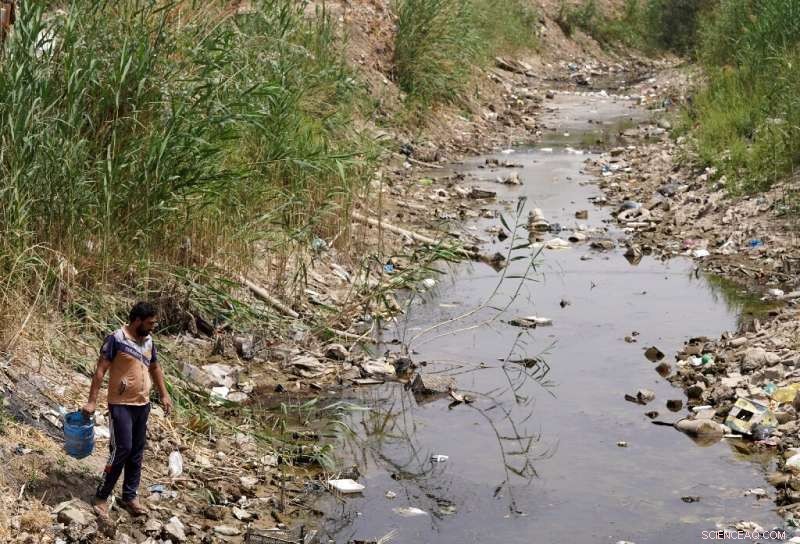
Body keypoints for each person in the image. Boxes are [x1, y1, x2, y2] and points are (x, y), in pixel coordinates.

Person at [82, 301, 173, 520]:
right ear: (137, 320)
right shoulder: (116, 339)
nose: (153, 327)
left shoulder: (149, 341)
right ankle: (101, 496)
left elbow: (154, 367)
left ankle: (129, 496)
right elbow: (100, 371)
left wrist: (164, 394)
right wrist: (92, 402)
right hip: (120, 405)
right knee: (122, 448)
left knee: (137, 452)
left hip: (142, 405)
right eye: (150, 323)